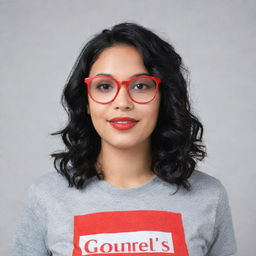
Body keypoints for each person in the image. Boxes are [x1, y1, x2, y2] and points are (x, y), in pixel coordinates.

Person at [10, 22, 237, 256]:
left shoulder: (209, 196)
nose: (122, 102)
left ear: (163, 98)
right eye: (105, 86)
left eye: (140, 86)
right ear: (86, 102)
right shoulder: (46, 197)